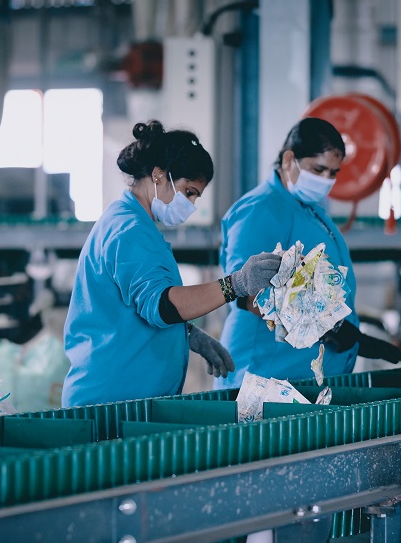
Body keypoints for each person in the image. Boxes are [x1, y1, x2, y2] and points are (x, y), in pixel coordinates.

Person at [62, 121, 281, 407]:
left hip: (123, 399)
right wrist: (236, 284)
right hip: (110, 402)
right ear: (158, 175)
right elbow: (163, 305)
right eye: (189, 192)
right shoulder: (129, 230)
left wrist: (187, 334)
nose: (191, 205)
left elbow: (134, 305)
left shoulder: (131, 222)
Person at [215, 117, 401, 389]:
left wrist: (349, 336)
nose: (326, 180)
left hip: (301, 378)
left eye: (333, 173)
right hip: (265, 377)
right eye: (318, 169)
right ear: (289, 159)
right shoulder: (258, 211)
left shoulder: (310, 210)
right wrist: (330, 329)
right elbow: (247, 295)